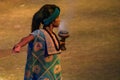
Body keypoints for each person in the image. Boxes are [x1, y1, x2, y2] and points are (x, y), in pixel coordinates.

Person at [12, 4, 66, 80]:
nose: (59, 19)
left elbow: (51, 46)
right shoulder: (39, 33)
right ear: (52, 20)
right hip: (43, 75)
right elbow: (28, 38)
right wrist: (19, 45)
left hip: (53, 73)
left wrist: (61, 43)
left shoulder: (52, 35)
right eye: (57, 17)